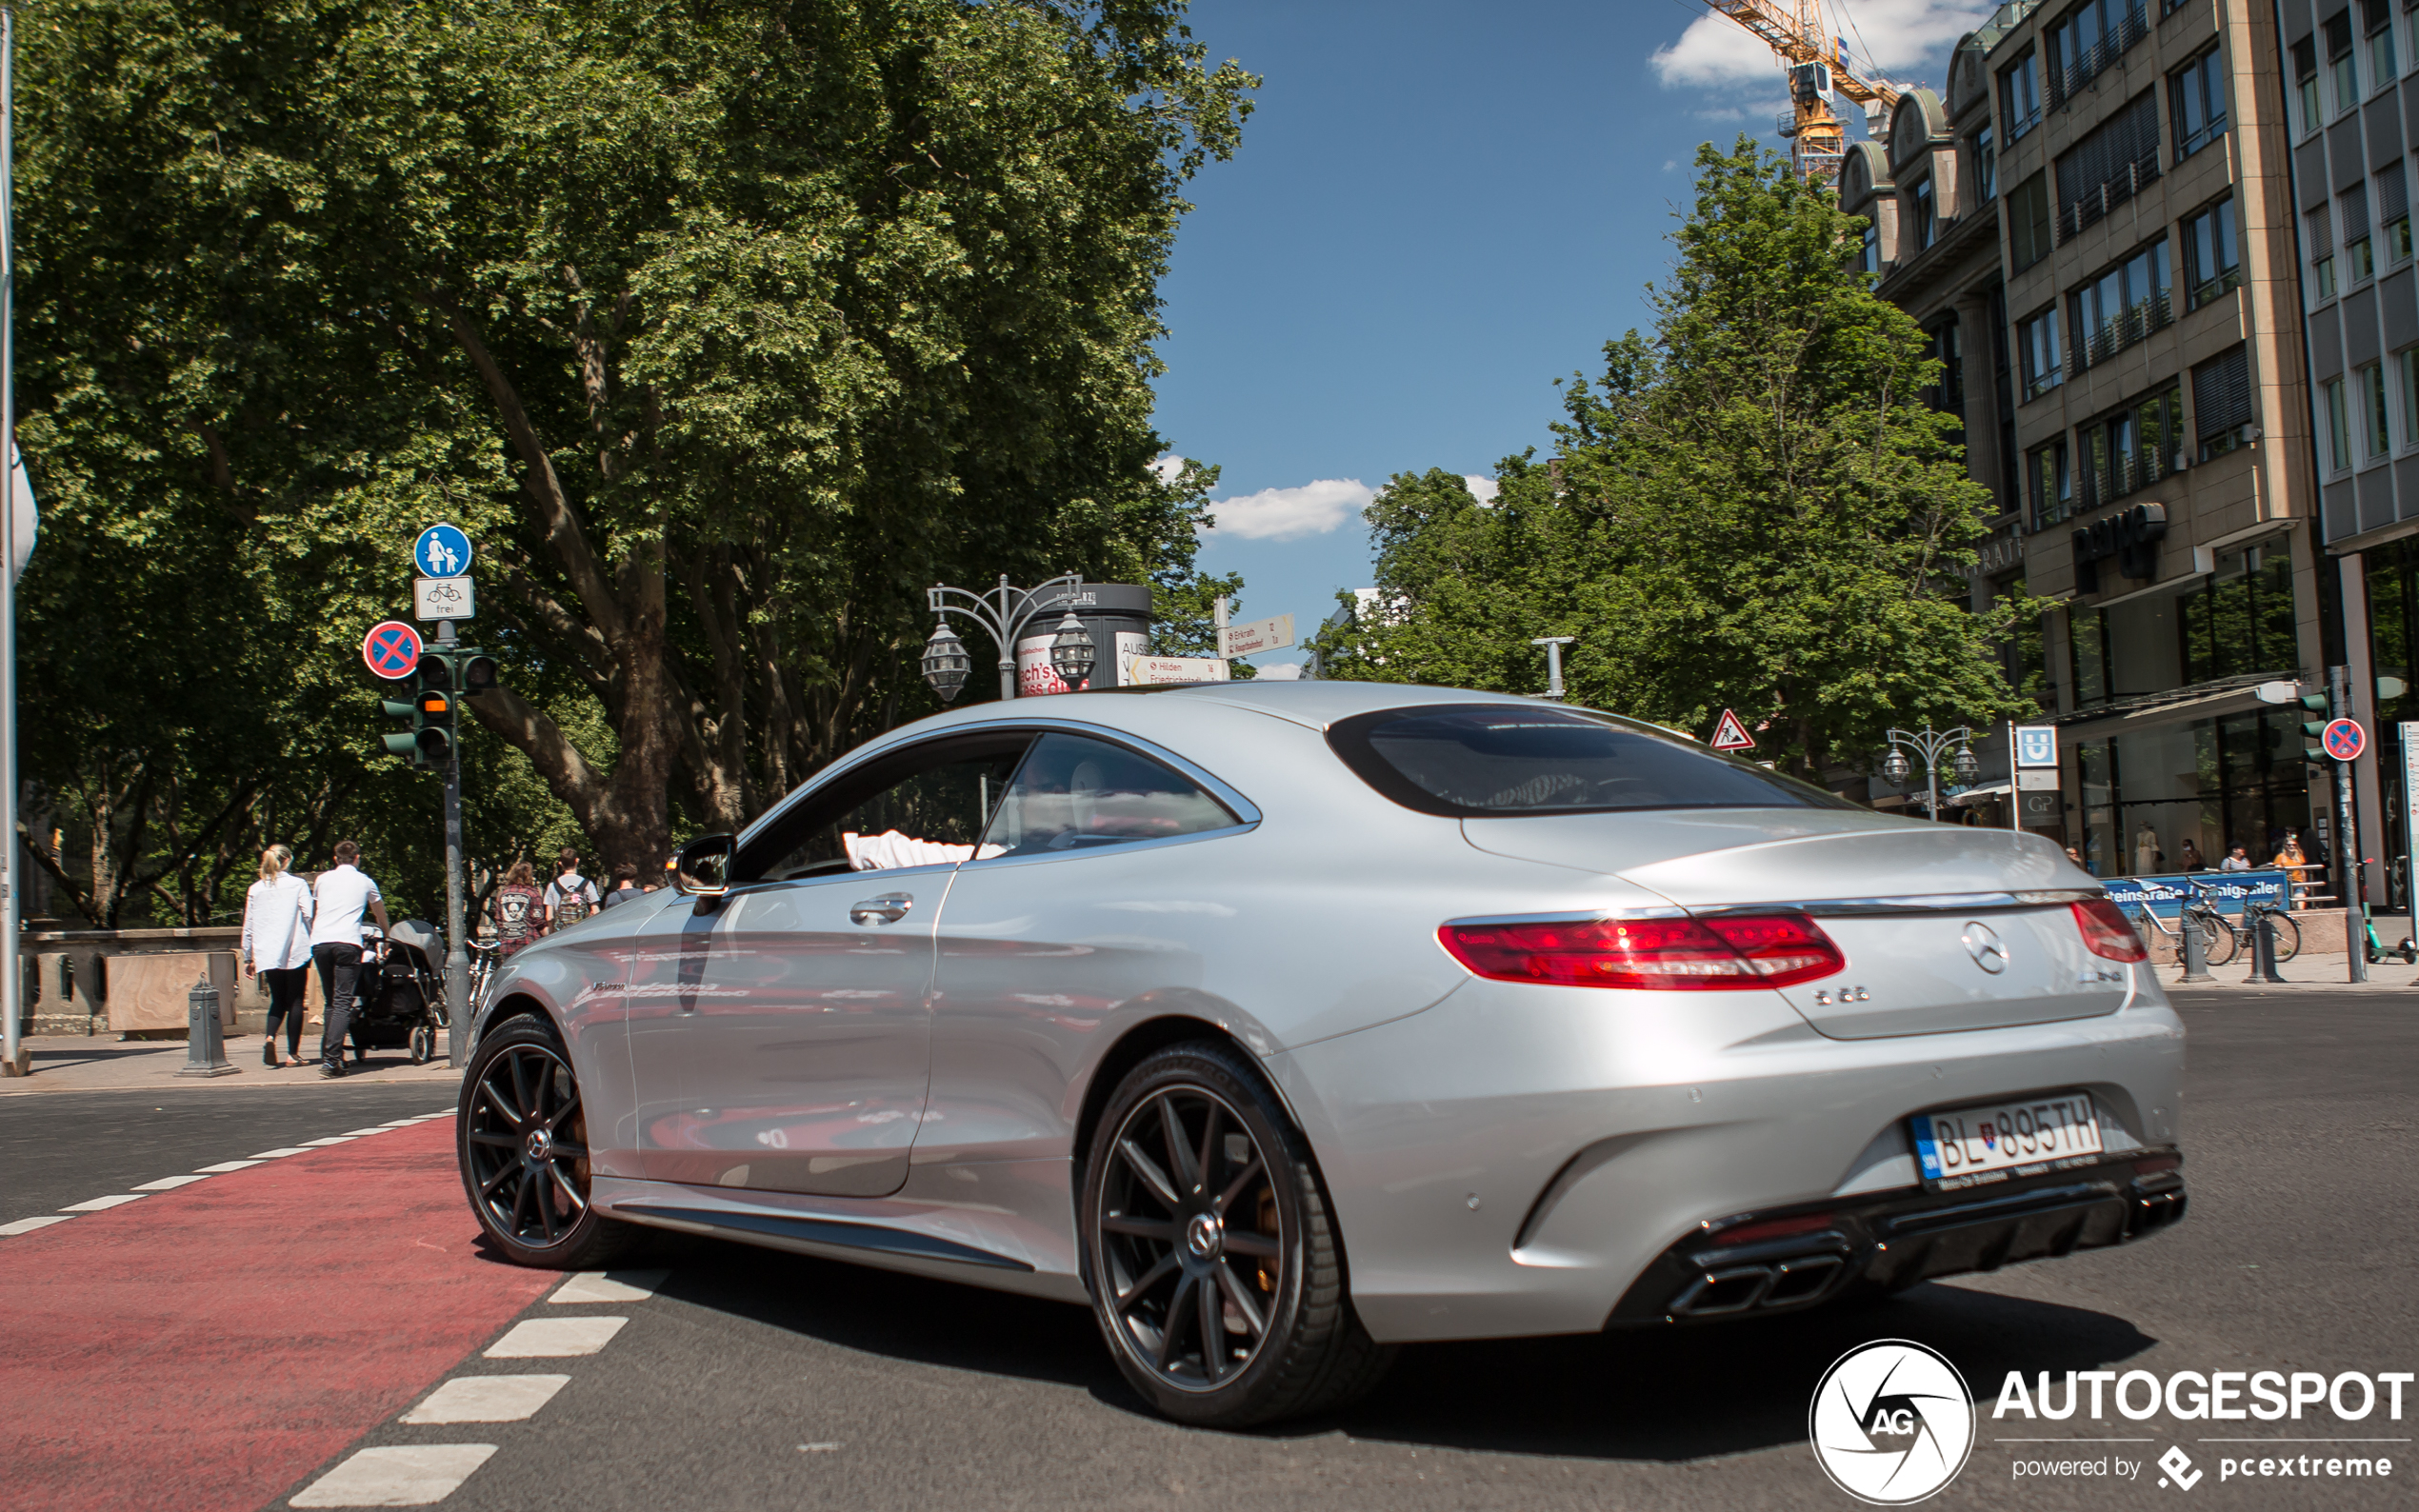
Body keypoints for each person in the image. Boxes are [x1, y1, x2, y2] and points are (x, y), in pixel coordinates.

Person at [310, 841, 390, 1078]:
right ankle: (331, 1060)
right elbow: (379, 912)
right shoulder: (365, 881)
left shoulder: (322, 880)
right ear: (357, 857)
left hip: (320, 943)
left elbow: (318, 910)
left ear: (336, 859)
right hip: (347, 943)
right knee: (344, 1001)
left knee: (331, 1001)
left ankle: (331, 1056)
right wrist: (386, 934)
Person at [241, 844, 314, 1067]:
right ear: (287, 861)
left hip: (267, 953)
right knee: (295, 1000)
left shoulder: (256, 888)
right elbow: (309, 914)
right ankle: (292, 1054)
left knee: (277, 999)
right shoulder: (298, 884)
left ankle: (270, 1037)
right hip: (295, 950)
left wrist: (248, 956)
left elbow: (249, 925)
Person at [490, 860, 546, 955]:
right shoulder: (532, 893)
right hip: (528, 944)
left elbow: (499, 921)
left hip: (507, 945)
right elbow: (538, 921)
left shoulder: (503, 894)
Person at [546, 846, 601, 931]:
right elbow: (596, 912)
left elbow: (549, 917)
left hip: (561, 934)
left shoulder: (552, 885)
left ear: (560, 863)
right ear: (577, 861)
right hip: (581, 933)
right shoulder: (587, 884)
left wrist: (553, 932)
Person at [2272, 834, 2311, 907]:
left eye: (2294, 845)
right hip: (2286, 883)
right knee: (2285, 905)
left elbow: (2302, 871)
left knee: (2300, 903)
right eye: (2289, 845)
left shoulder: (2299, 856)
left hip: (2298, 882)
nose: (2291, 847)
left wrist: (2305, 885)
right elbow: (2277, 871)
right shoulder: (2280, 856)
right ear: (2285, 846)